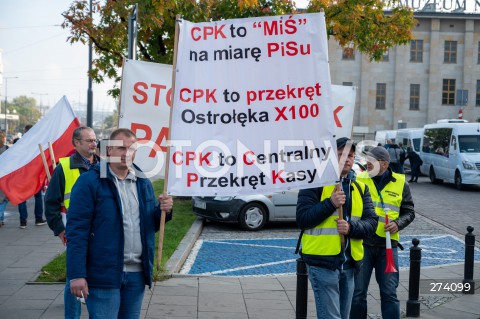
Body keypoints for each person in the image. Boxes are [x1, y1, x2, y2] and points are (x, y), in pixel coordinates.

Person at [66, 128, 173, 319]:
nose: (127, 154)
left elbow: (149, 227)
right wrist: (76, 275)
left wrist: (164, 211)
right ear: (109, 150)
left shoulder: (143, 182)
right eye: (122, 148)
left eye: (132, 149)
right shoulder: (89, 182)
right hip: (104, 274)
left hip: (137, 275)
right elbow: (77, 232)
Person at [296, 137, 378, 319]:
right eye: (341, 154)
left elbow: (372, 223)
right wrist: (331, 203)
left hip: (349, 264)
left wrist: (350, 228)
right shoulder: (314, 183)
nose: (346, 159)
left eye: (350, 155)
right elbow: (302, 219)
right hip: (323, 263)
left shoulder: (360, 187)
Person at [351, 146, 416, 319]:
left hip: (388, 247)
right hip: (363, 244)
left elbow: (409, 212)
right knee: (357, 294)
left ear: (385, 164)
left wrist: (397, 223)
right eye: (367, 161)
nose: (367, 164)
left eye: (372, 161)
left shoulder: (401, 182)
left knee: (389, 294)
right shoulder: (359, 179)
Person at [44, 126, 99, 319]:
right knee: (75, 275)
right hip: (76, 230)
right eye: (89, 140)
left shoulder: (104, 165)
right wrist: (59, 230)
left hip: (101, 229)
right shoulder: (64, 167)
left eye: (95, 140)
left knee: (98, 275)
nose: (94, 143)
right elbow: (50, 203)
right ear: (76, 143)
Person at [15, 125, 47, 228]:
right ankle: (38, 219)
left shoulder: (18, 143)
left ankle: (23, 221)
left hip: (22, 174)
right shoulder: (37, 143)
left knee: (21, 197)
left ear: (25, 131)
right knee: (37, 196)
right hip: (34, 173)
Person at [0, 131, 9, 227]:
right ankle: (0, 218)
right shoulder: (6, 149)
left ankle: (1, 218)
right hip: (3, 176)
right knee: (3, 199)